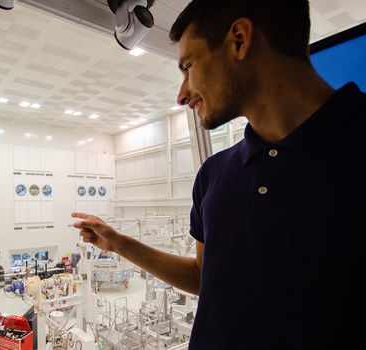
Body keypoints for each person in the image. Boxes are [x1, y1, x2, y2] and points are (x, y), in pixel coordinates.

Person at [73, 0, 365, 348]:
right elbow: (204, 276)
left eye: (188, 66)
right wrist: (118, 243)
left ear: (239, 40)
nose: (181, 96)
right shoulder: (215, 174)